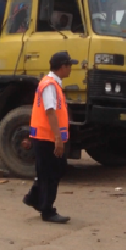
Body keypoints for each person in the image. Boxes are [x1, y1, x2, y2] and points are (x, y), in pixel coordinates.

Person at [22, 51, 75, 224]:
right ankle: (47, 210)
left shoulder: (51, 84)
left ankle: (35, 198)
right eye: (70, 66)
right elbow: (50, 112)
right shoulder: (50, 85)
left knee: (49, 171)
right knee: (51, 174)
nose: (71, 69)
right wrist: (58, 140)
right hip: (48, 138)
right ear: (63, 66)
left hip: (45, 137)